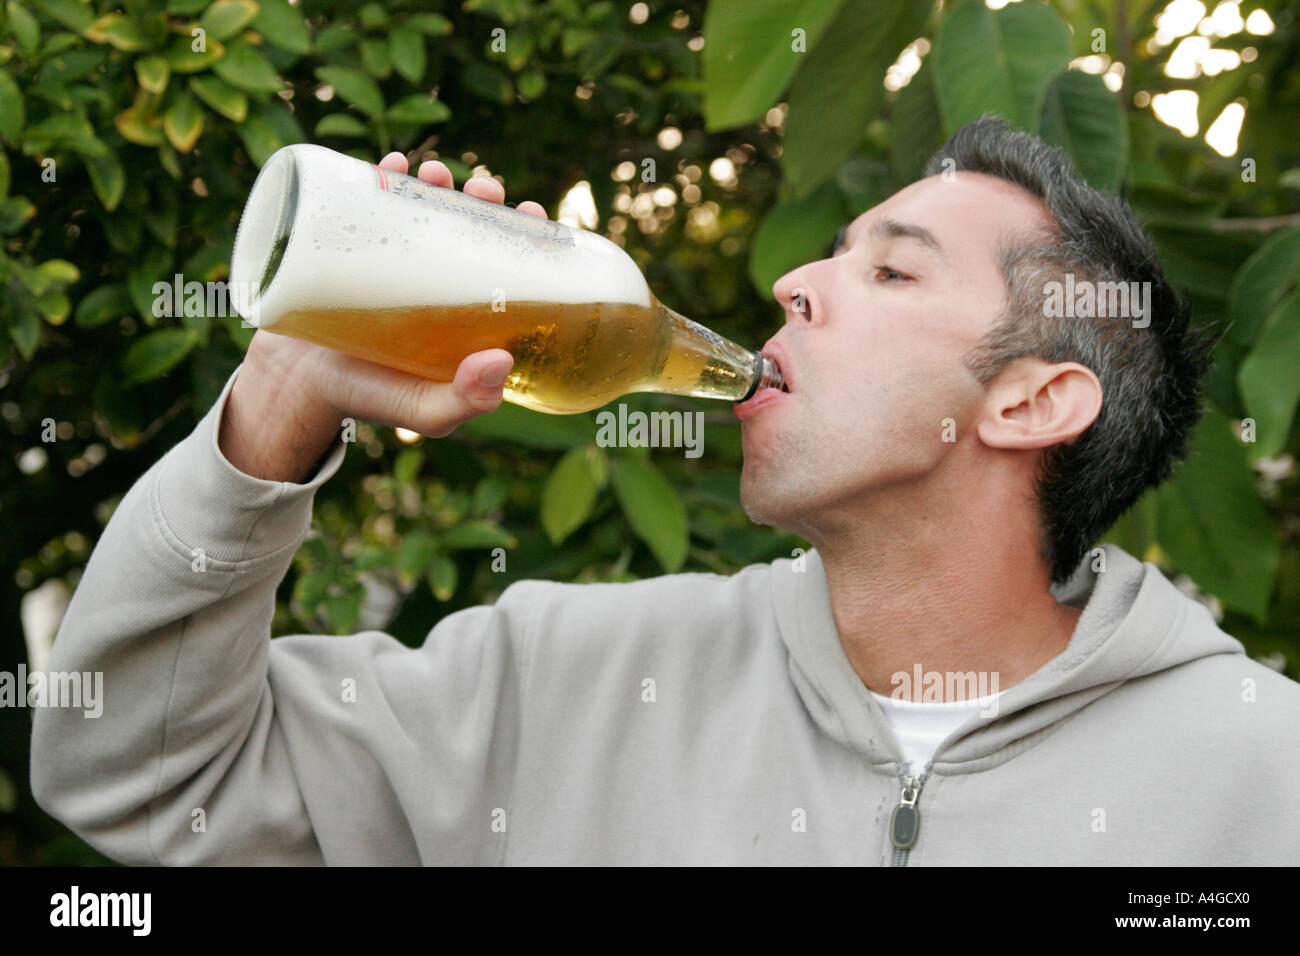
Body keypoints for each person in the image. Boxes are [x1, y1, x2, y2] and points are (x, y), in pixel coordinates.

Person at [30, 118, 1300, 865]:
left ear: (1029, 402)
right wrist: (281, 398)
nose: (796, 278)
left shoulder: (1262, 776)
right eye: (830, 250)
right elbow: (136, 777)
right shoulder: (557, 677)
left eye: (893, 273)